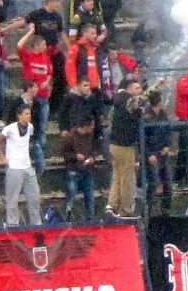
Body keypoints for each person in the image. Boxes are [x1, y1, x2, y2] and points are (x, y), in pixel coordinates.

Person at [0, 106, 41, 227]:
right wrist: (3, 156)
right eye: (25, 114)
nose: (28, 116)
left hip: (27, 165)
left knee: (34, 196)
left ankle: (36, 223)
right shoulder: (10, 128)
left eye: (29, 114)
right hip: (14, 166)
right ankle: (12, 223)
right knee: (12, 198)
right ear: (19, 115)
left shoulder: (30, 127)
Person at [107, 77, 144, 219]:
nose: (139, 91)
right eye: (136, 88)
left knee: (117, 176)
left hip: (115, 144)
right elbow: (141, 100)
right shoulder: (128, 101)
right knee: (127, 179)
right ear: (128, 89)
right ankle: (126, 210)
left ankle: (112, 205)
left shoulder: (118, 100)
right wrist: (157, 86)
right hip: (125, 145)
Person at [61, 113, 101, 222]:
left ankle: (90, 219)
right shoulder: (70, 137)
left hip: (87, 170)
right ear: (85, 126)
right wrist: (75, 156)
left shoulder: (90, 137)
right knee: (71, 197)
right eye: (91, 125)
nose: (93, 128)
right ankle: (67, 220)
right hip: (73, 171)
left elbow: (93, 150)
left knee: (90, 197)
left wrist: (92, 158)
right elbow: (65, 154)